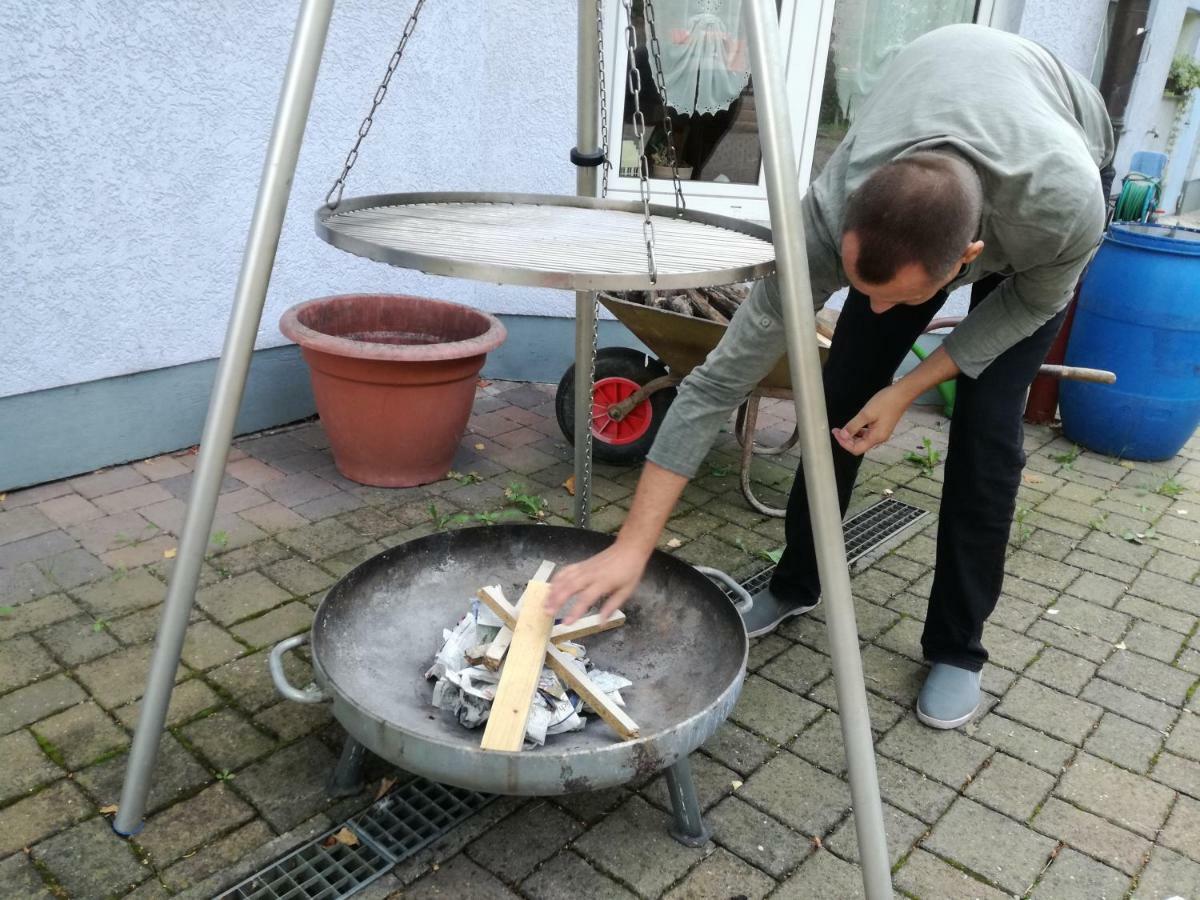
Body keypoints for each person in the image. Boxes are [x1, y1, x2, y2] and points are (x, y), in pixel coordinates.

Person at [547, 24, 1115, 730]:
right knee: (840, 397)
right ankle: (796, 583)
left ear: (967, 259)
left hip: (1048, 164)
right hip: (927, 142)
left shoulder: (1062, 207)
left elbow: (1032, 302)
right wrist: (632, 546)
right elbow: (717, 383)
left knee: (985, 437)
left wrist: (906, 390)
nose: (872, 309)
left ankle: (958, 649)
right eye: (857, 287)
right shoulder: (829, 211)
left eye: (900, 297)